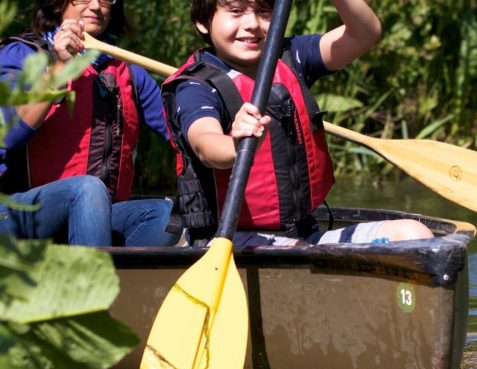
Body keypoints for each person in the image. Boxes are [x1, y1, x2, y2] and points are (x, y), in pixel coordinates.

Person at [162, 0, 434, 247]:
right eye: (235, 11)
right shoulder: (195, 86)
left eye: (263, 11)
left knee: (414, 234)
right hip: (227, 241)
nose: (252, 24)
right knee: (301, 255)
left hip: (304, 234)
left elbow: (365, 33)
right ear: (202, 22)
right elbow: (205, 144)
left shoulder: (292, 57)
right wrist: (236, 144)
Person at [0, 0, 179, 246]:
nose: (96, 6)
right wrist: (61, 68)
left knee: (167, 215)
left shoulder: (130, 73)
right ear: (57, 6)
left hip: (92, 214)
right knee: (88, 189)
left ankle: (109, 275)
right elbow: (8, 134)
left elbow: (185, 133)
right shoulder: (20, 55)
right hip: (16, 212)